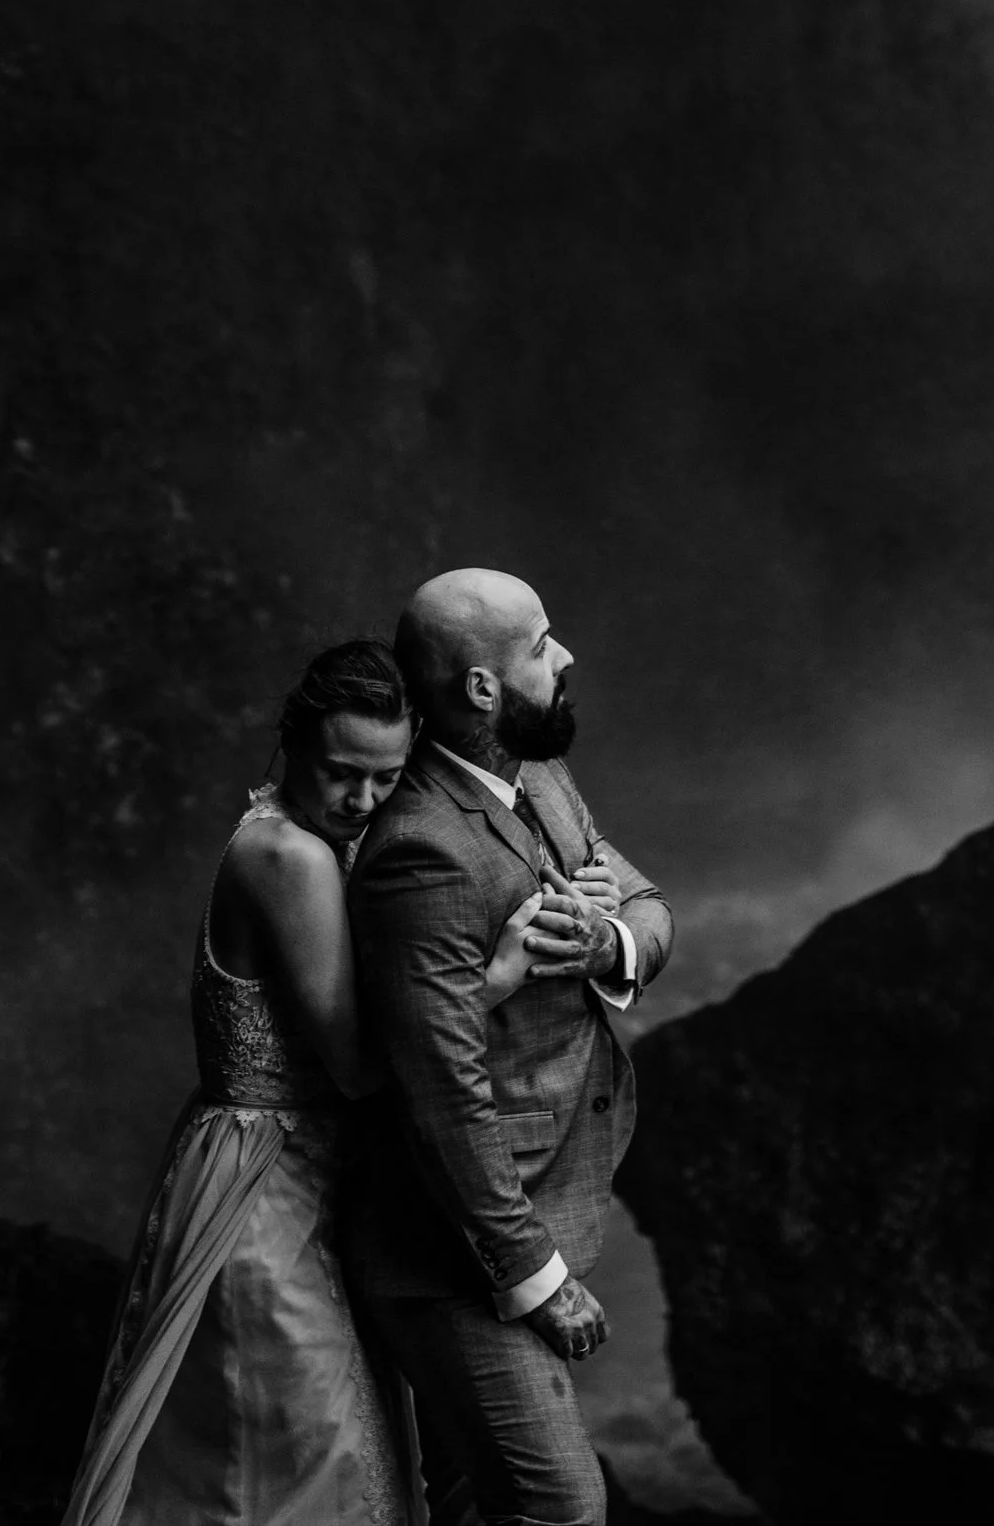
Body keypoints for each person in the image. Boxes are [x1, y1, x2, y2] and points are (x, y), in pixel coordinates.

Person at [61, 637, 549, 1526]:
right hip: (265, 1192)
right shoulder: (290, 857)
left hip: (279, 1175)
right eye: (341, 773)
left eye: (386, 777)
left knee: (293, 1461)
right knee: (293, 1468)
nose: (362, 801)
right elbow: (361, 1066)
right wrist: (499, 974)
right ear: (291, 744)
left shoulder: (299, 832)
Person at [345, 569, 674, 1526]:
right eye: (541, 645)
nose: (565, 657)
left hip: (538, 1197)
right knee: (563, 1507)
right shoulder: (420, 848)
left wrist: (605, 942)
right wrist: (536, 1278)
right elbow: (438, 1087)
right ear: (483, 689)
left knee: (465, 1500)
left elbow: (650, 904)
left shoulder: (536, 775)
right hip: (456, 1250)